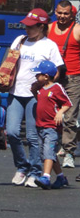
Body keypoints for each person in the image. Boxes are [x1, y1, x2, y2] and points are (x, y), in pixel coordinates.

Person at [0, 8, 63, 188]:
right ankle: (22, 166)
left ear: (41, 27)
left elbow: (58, 70)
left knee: (32, 136)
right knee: (13, 132)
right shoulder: (20, 40)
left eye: (31, 27)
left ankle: (35, 171)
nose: (27, 29)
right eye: (26, 26)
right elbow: (7, 64)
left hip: (35, 96)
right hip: (16, 92)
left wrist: (47, 88)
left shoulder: (49, 46)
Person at [47, 0, 80, 169]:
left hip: (73, 78)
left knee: (70, 117)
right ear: (55, 12)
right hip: (52, 79)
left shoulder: (77, 29)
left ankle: (69, 153)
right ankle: (51, 149)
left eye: (66, 13)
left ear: (71, 14)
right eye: (59, 13)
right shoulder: (49, 28)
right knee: (50, 115)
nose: (62, 16)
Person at [30, 60, 71, 190]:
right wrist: (34, 91)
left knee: (48, 152)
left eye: (38, 74)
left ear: (46, 76)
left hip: (52, 127)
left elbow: (67, 103)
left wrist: (60, 112)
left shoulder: (56, 88)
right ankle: (60, 177)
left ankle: (46, 177)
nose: (36, 77)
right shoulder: (41, 89)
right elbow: (42, 101)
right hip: (41, 126)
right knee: (47, 153)